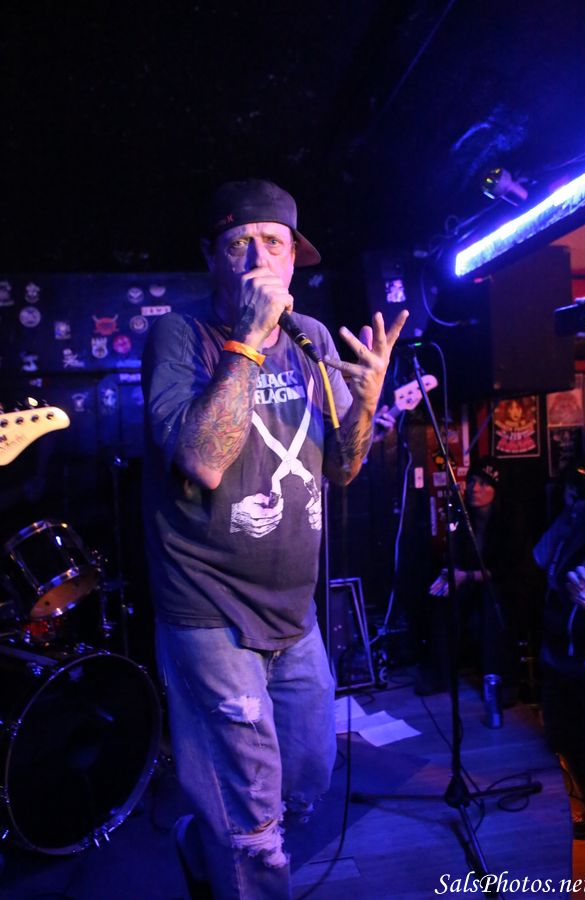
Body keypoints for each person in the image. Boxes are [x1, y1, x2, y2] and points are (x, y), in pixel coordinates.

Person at [141, 178, 407, 899]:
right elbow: (202, 459)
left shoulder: (312, 337)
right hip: (209, 612)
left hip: (293, 612)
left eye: (274, 243)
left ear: (294, 259)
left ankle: (203, 841)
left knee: (308, 778)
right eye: (239, 244)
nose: (259, 259)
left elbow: (345, 468)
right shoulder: (180, 337)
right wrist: (249, 341)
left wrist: (368, 402)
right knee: (255, 827)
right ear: (212, 257)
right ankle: (233, 855)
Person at [419, 456, 525, 702]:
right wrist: (449, 574)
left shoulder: (510, 520)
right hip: (471, 580)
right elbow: (458, 557)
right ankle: (439, 674)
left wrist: (466, 576)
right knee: (442, 600)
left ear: (496, 489)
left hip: (505, 586)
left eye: (484, 483)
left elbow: (507, 569)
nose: (475, 489)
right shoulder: (464, 517)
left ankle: (500, 682)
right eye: (473, 481)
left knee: (491, 602)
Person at [533, 469, 585, 837]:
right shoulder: (577, 525)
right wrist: (569, 512)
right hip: (561, 651)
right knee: (563, 735)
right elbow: (541, 558)